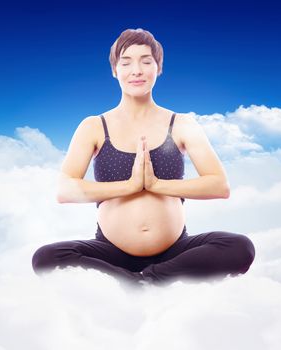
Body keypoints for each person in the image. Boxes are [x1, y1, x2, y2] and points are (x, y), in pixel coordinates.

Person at [32, 28, 255, 287]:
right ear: (115, 70)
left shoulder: (181, 123)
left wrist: (156, 185)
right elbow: (65, 190)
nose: (136, 70)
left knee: (240, 248)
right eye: (126, 62)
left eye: (146, 61)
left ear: (158, 68)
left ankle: (145, 280)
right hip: (110, 253)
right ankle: (137, 280)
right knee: (46, 258)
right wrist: (130, 186)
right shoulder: (93, 126)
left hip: (175, 250)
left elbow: (219, 185)